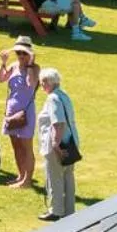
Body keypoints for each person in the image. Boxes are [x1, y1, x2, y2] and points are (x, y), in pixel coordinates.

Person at [0, 37, 41, 189]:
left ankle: (27, 180)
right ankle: (20, 176)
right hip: (11, 110)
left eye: (24, 53)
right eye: (18, 53)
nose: (21, 56)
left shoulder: (35, 69)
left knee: (26, 146)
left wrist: (29, 65)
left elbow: (30, 84)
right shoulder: (14, 66)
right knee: (16, 146)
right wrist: (3, 63)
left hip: (26, 112)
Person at [37, 67, 80, 221]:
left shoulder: (52, 98)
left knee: (54, 176)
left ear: (49, 82)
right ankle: (69, 210)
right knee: (68, 176)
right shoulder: (64, 95)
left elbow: (58, 123)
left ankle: (56, 210)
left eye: (43, 82)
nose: (41, 85)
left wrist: (56, 145)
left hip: (59, 144)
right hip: (71, 142)